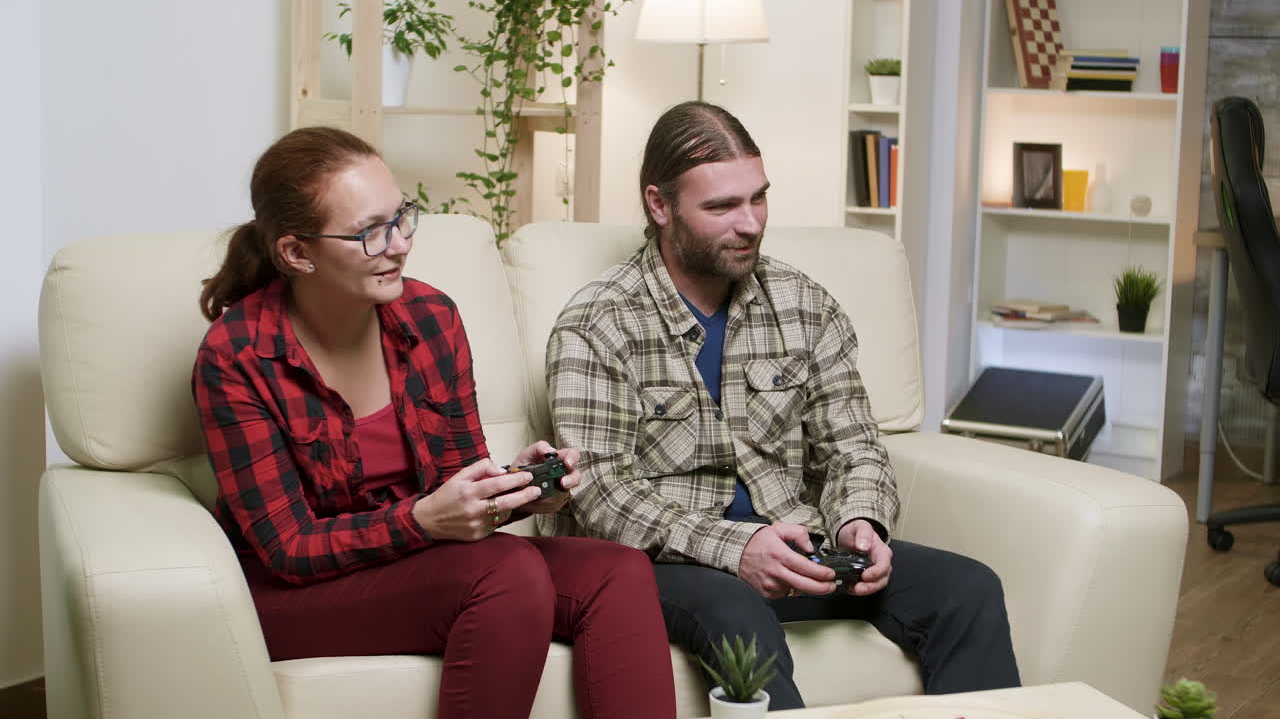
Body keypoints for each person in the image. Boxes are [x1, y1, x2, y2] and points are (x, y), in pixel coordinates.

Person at [541, 101, 1020, 710]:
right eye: (721, 207)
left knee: (967, 587)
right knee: (734, 607)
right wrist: (736, 549)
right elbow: (601, 492)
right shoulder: (598, 322)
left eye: (757, 199)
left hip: (798, 543)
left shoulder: (803, 304)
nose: (749, 224)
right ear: (659, 206)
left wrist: (859, 522)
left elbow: (855, 446)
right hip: (662, 562)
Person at [192, 126, 676, 719]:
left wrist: (514, 491)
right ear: (297, 253)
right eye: (370, 232)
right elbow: (288, 547)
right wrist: (421, 520)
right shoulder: (237, 355)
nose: (398, 244)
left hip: (424, 562)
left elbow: (457, 479)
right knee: (508, 570)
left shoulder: (430, 317)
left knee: (619, 571)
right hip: (294, 593)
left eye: (401, 219)